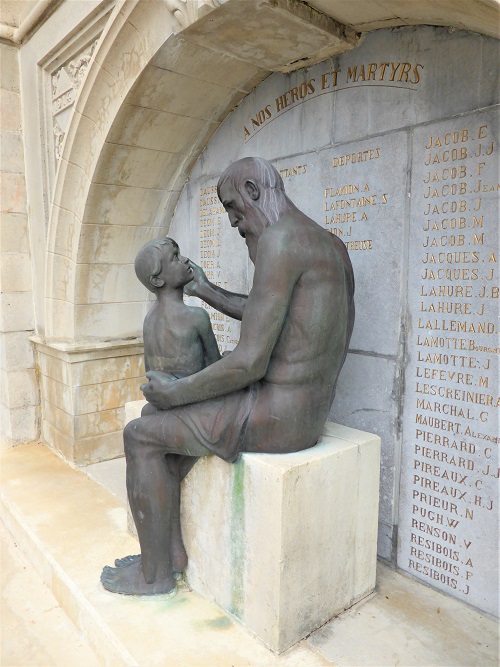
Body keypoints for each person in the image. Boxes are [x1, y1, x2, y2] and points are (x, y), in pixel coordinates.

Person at [101, 157, 355, 596]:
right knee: (154, 420)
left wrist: (179, 391)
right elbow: (271, 314)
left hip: (276, 414)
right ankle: (169, 553)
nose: (236, 223)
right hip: (302, 413)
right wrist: (205, 290)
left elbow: (249, 363)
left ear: (255, 190)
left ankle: (156, 575)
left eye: (234, 208)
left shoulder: (280, 241)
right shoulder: (329, 245)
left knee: (139, 435)